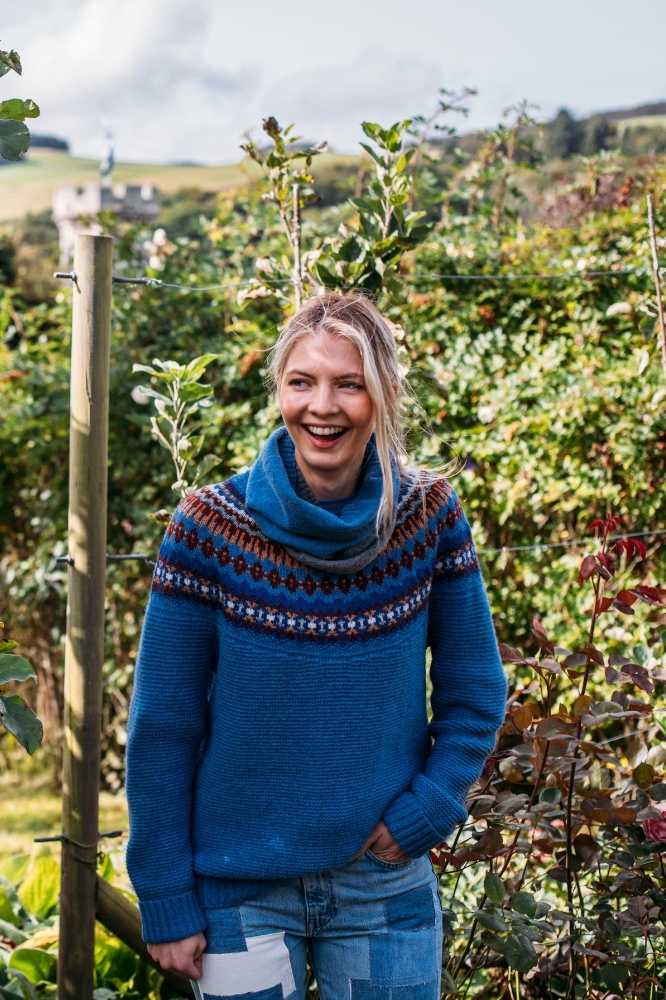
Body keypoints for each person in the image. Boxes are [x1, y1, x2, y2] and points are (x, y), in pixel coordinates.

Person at [125, 290, 508, 999]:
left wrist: (430, 808)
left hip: (381, 883)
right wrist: (164, 892)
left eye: (348, 384)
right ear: (279, 390)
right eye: (302, 382)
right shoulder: (208, 528)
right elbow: (164, 725)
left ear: (382, 395)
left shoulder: (428, 517)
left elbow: (476, 691)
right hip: (239, 888)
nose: (322, 406)